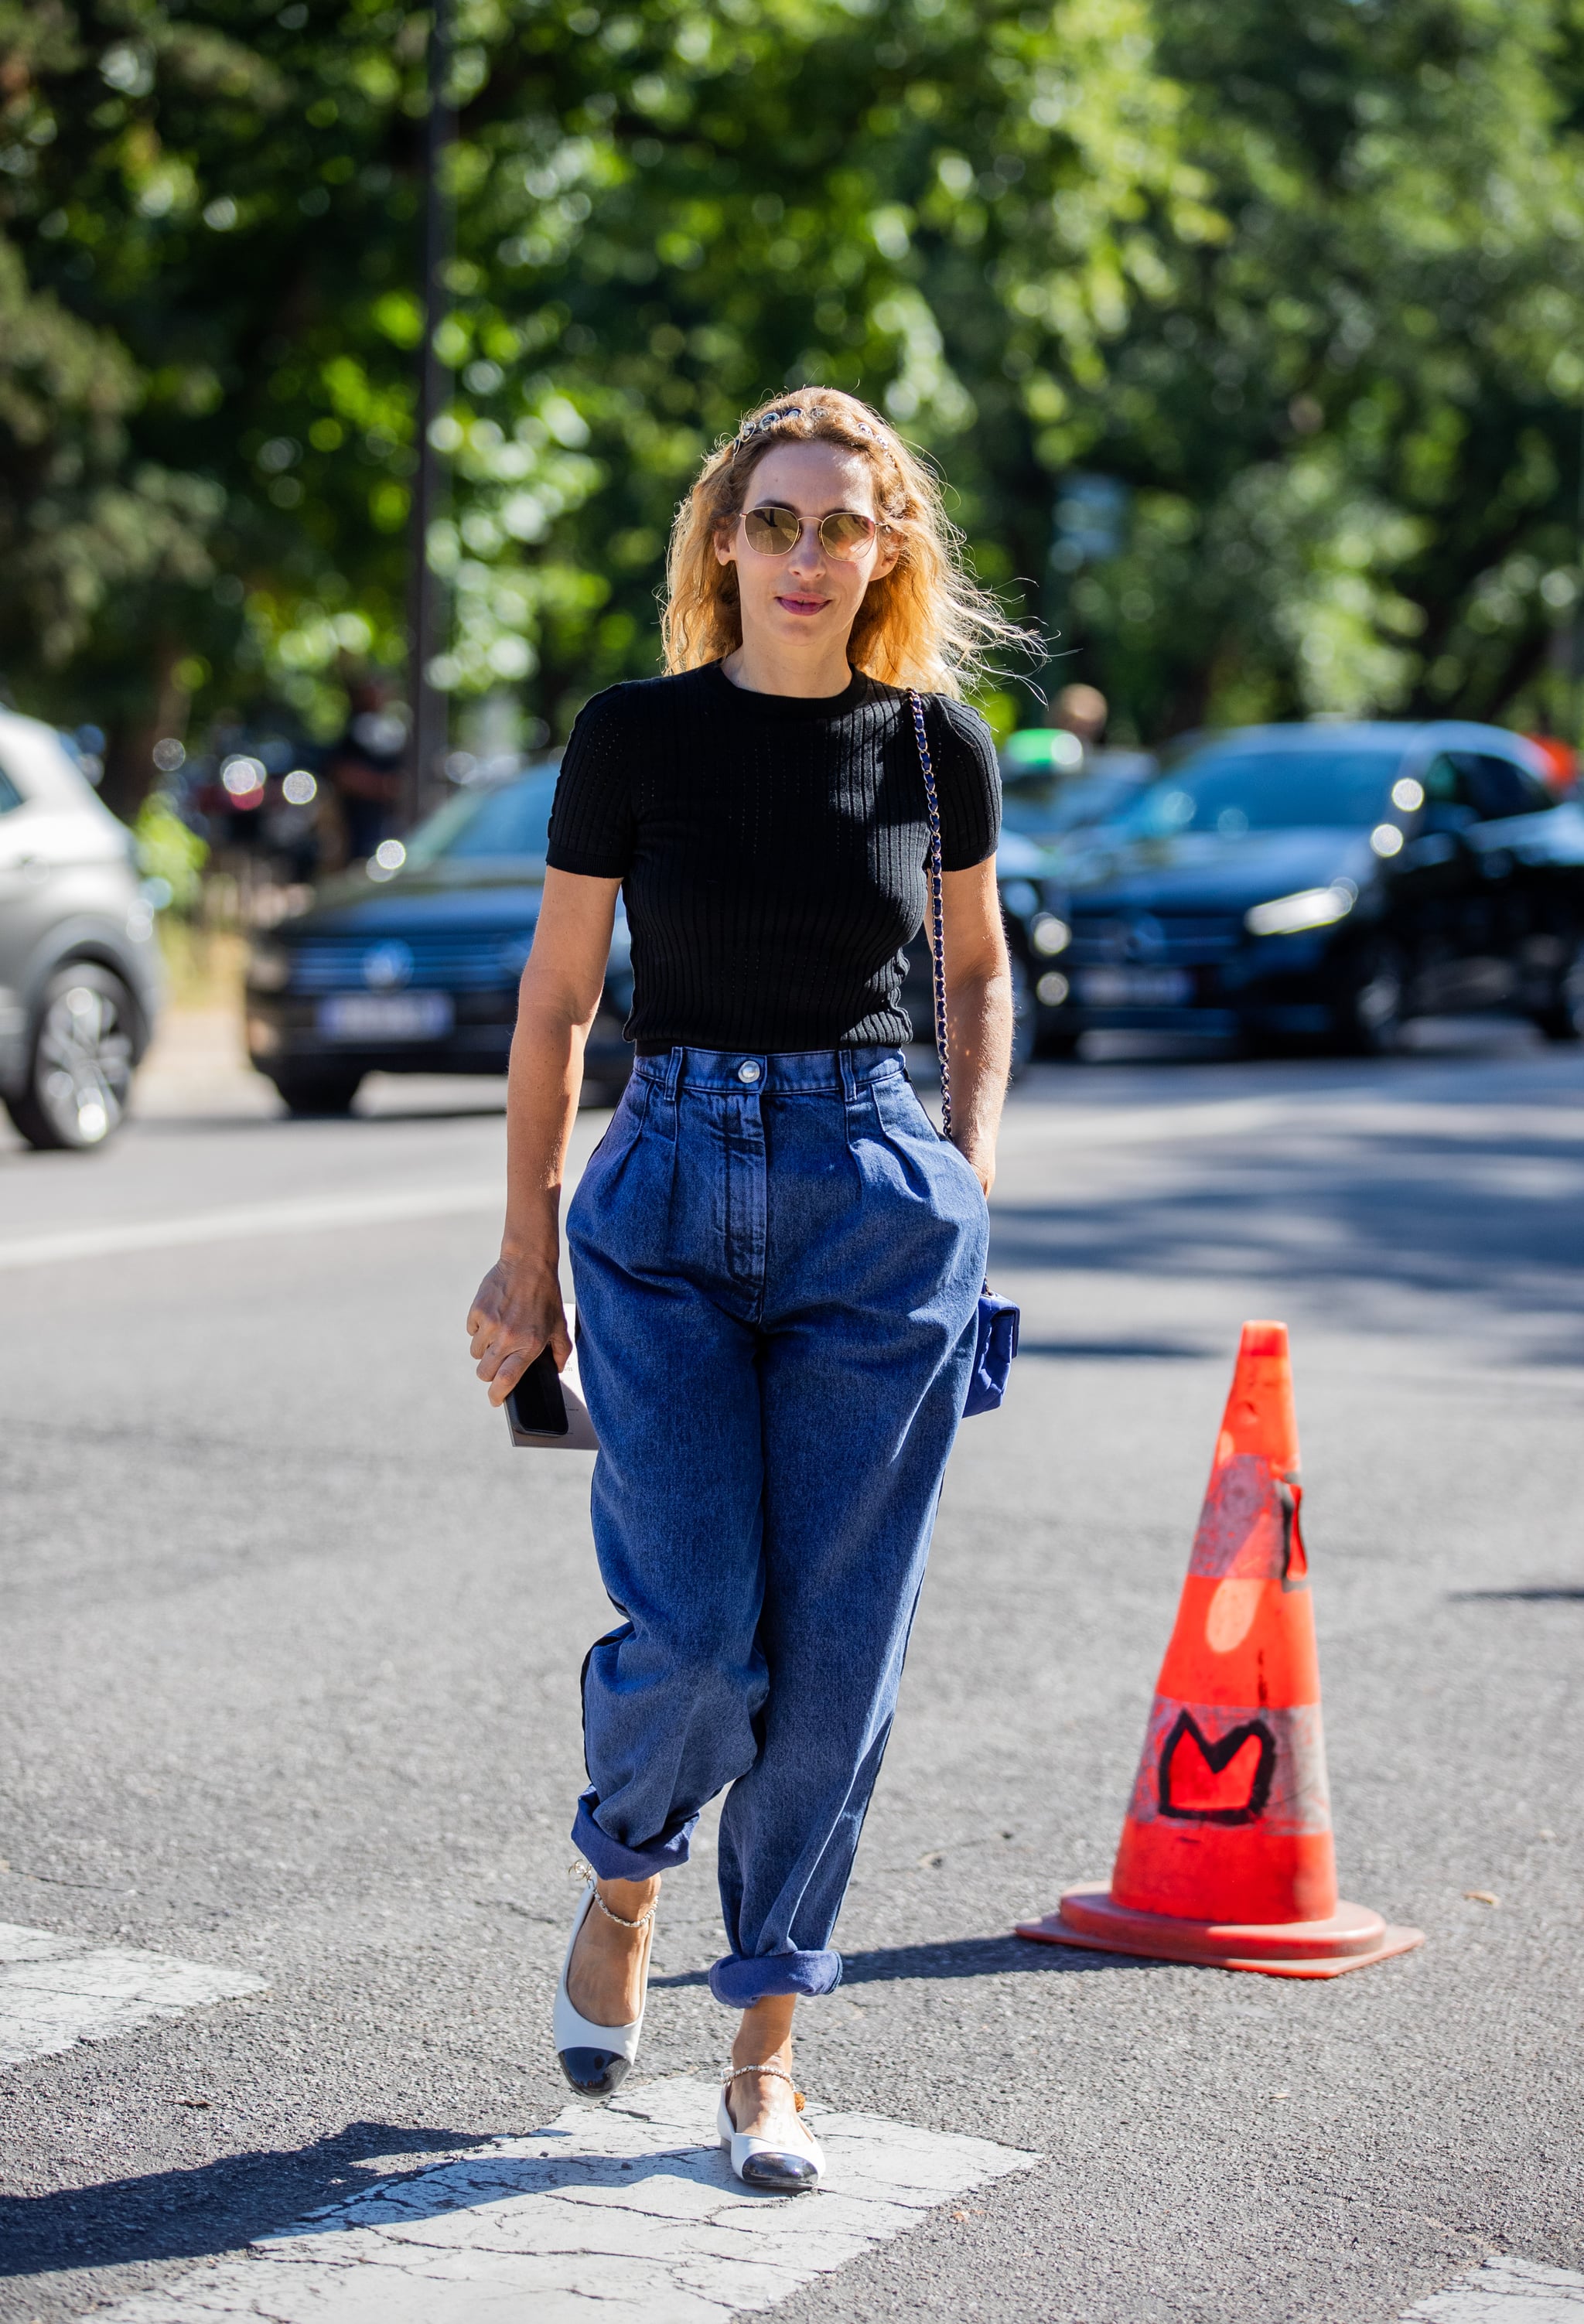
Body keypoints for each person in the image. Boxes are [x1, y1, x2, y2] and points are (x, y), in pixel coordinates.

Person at [465, 389, 1018, 2192]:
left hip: (878, 1208)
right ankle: (627, 1867)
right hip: (669, 1191)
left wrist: (962, 1177)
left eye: (837, 526)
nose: (802, 555)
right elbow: (557, 1006)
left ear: (888, 549)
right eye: (771, 521)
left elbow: (979, 977)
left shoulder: (936, 749)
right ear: (722, 538)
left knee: (838, 1667)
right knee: (701, 1635)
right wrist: (523, 1248)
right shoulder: (631, 738)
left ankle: (766, 2045)